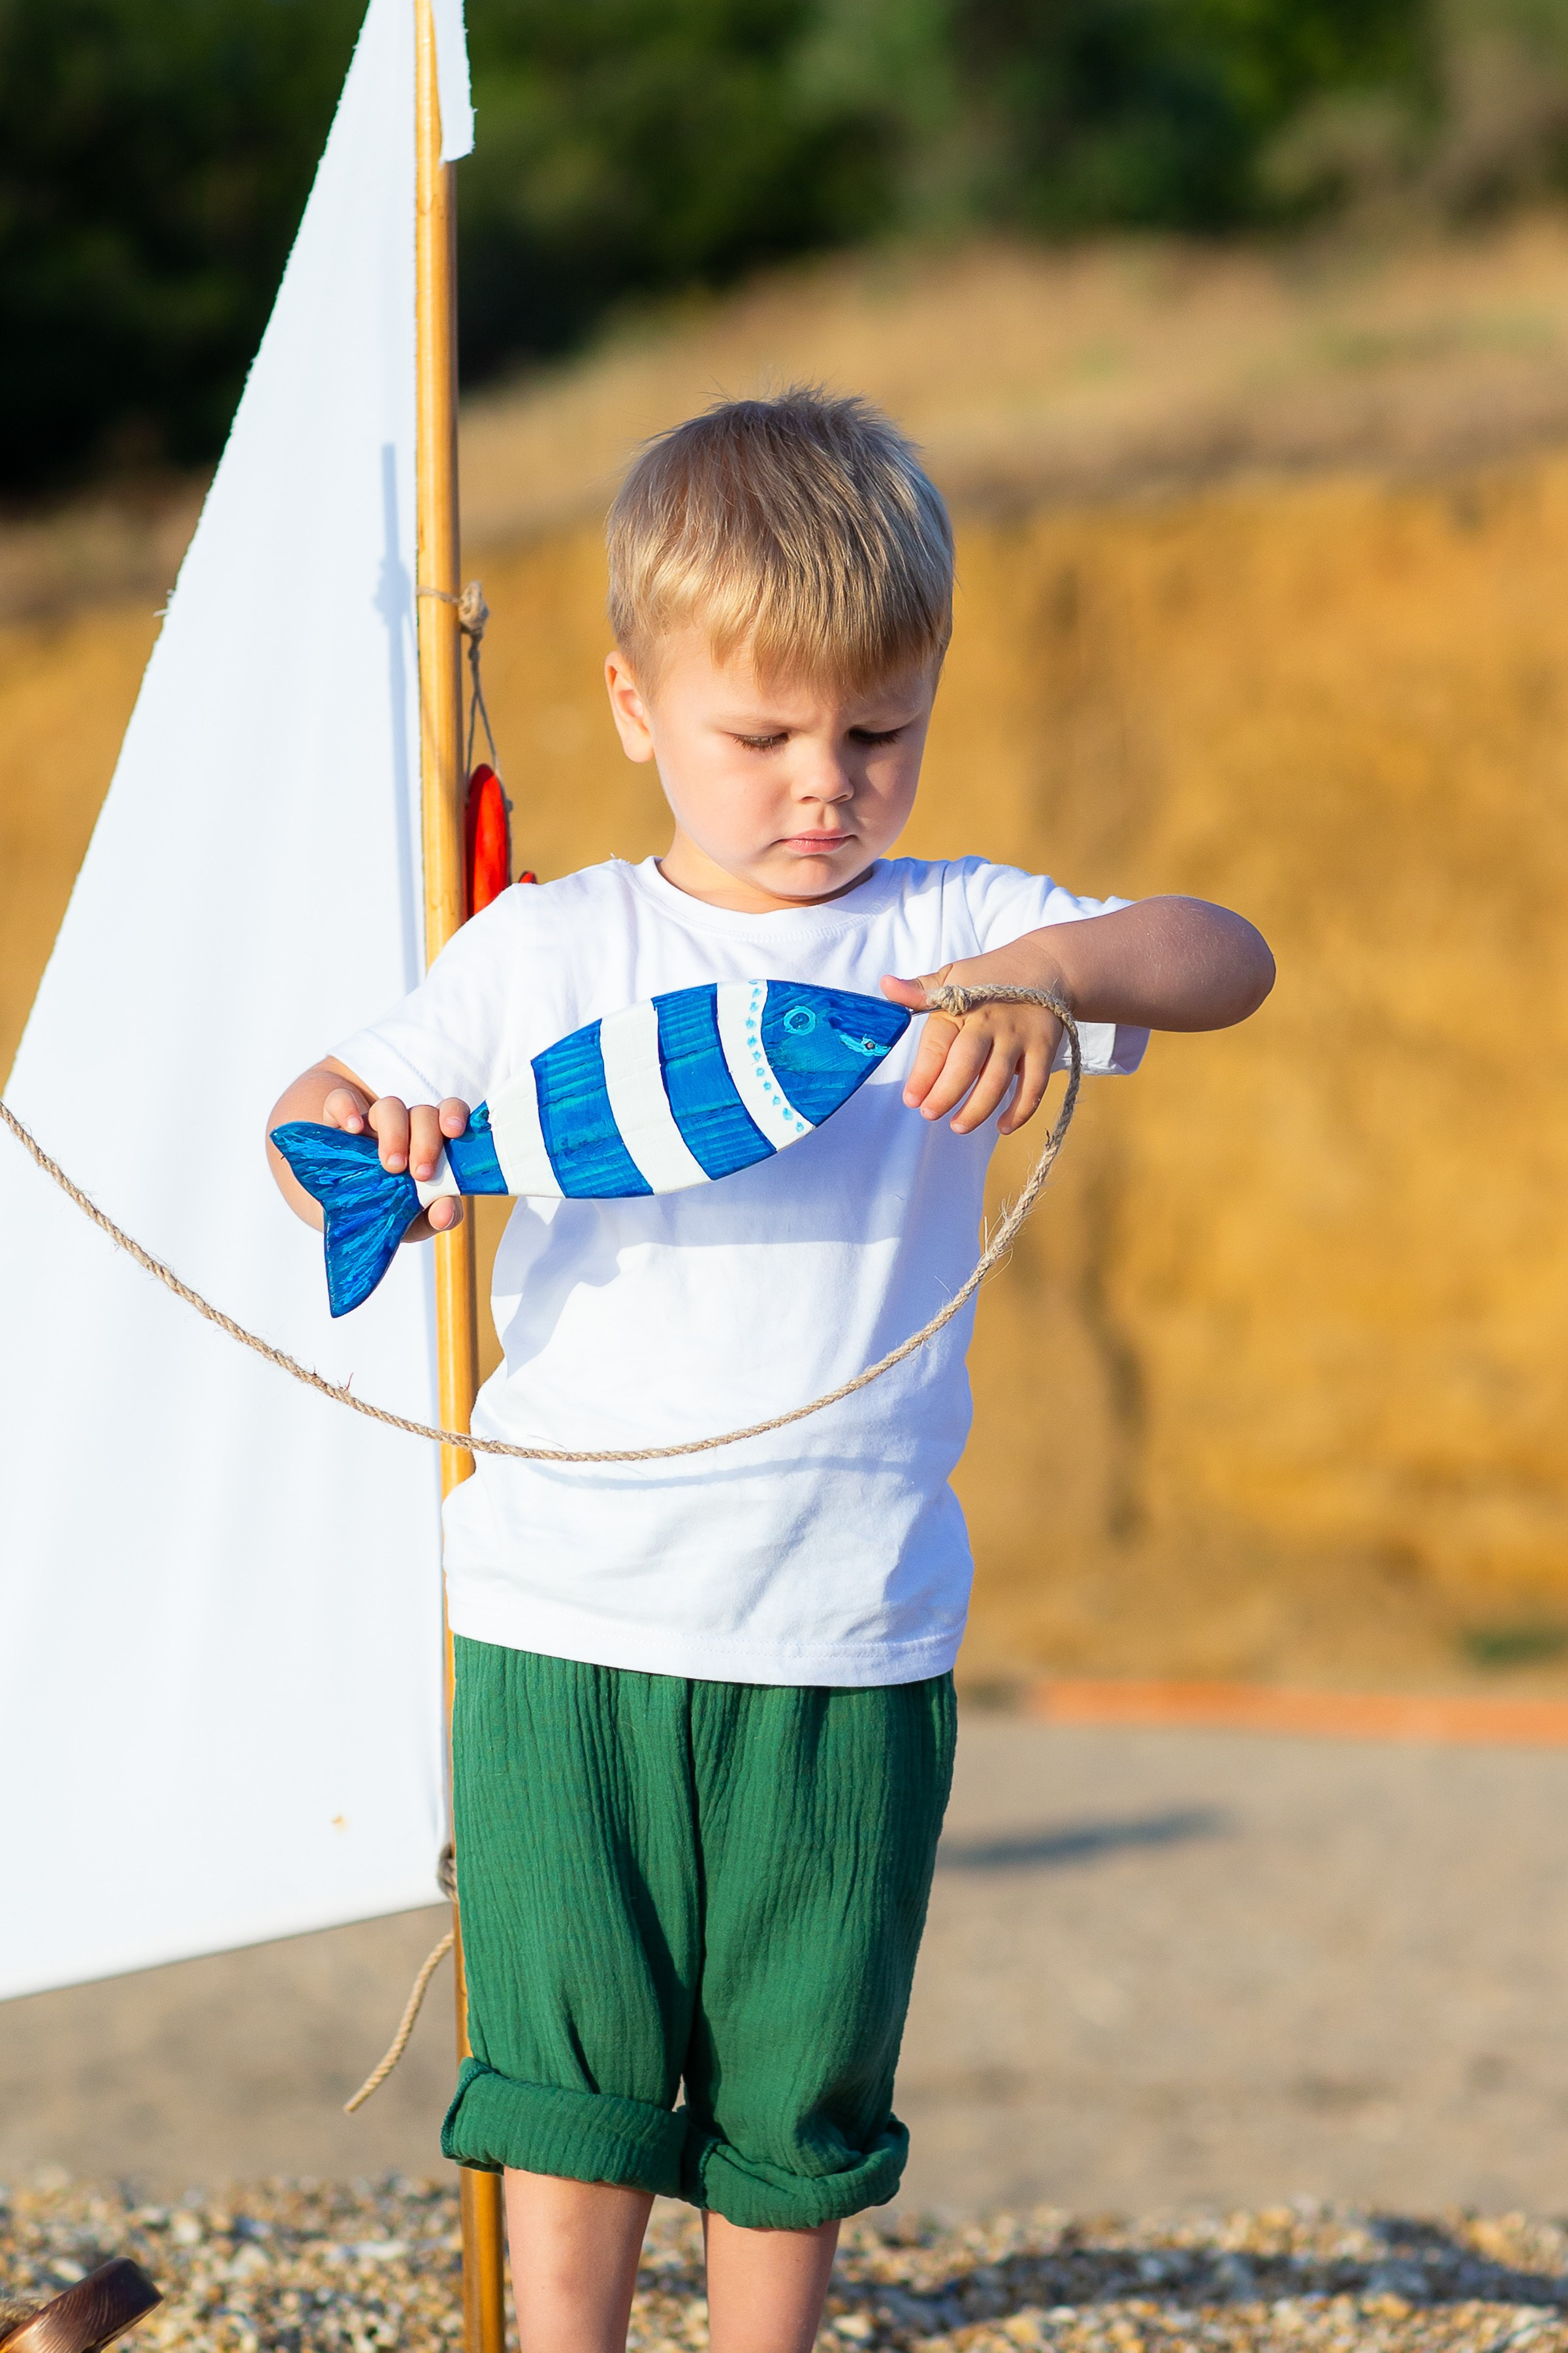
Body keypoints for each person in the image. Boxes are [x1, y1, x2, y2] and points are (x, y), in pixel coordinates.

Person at [267, 389, 1274, 2353]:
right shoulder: (545, 949)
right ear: (635, 704)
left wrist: (1050, 980)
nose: (826, 787)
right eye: (762, 738)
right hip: (562, 1612)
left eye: (877, 734)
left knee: (799, 2067)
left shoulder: (960, 928)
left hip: (849, 1624)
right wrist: (354, 1128)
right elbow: (321, 1115)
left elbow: (1223, 954)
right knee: (568, 2057)